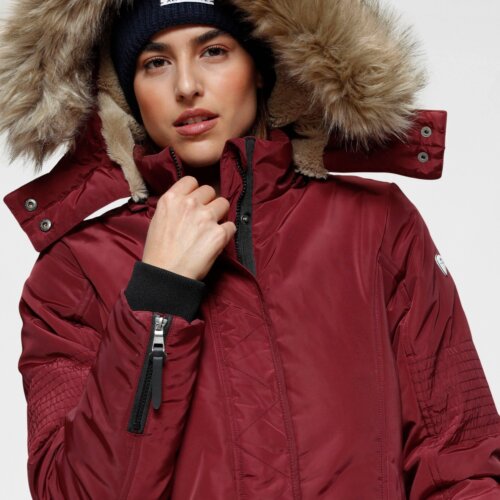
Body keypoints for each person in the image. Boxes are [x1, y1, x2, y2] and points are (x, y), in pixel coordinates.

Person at [0, 0, 499, 498]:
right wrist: (158, 295)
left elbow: (460, 460)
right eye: (156, 62)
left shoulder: (376, 225)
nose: (186, 86)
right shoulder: (73, 273)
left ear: (261, 67)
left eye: (213, 51)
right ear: (124, 93)